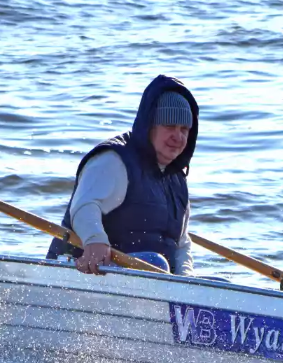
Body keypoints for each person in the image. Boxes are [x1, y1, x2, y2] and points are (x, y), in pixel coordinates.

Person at [46, 74, 199, 276]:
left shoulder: (177, 180)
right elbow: (83, 207)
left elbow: (181, 244)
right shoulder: (114, 160)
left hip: (152, 285)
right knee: (156, 264)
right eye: (169, 126)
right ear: (150, 126)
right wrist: (95, 240)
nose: (178, 137)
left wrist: (188, 284)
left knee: (222, 287)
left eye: (184, 129)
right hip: (85, 275)